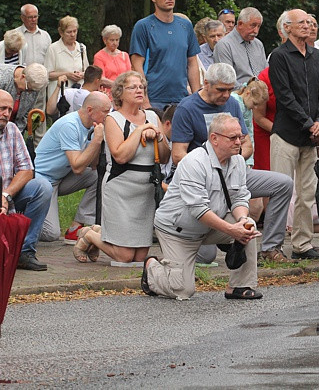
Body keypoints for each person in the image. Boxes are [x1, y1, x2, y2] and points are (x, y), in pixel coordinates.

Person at [171, 63, 294, 264]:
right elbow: (178, 155)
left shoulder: (233, 104)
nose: (226, 95)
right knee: (206, 256)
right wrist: (209, 168)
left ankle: (271, 247)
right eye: (221, 90)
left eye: (230, 90)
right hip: (203, 180)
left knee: (283, 183)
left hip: (234, 173)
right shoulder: (187, 108)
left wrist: (234, 161)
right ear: (206, 83)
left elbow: (247, 145)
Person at [142, 114, 262, 300]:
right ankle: (152, 267)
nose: (239, 142)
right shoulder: (194, 162)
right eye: (233, 138)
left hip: (210, 225)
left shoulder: (237, 161)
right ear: (214, 138)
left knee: (248, 226)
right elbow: (199, 210)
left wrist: (241, 221)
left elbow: (239, 197)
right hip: (178, 231)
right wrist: (232, 230)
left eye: (240, 137)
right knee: (183, 290)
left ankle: (239, 286)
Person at [74, 71, 169, 264]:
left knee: (139, 258)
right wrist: (140, 130)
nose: (139, 90)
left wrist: (159, 137)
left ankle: (99, 232)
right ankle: (89, 235)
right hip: (121, 188)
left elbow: (165, 157)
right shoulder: (113, 119)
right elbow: (120, 156)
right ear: (120, 93)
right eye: (132, 87)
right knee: (124, 257)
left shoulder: (152, 116)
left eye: (141, 87)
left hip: (145, 191)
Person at [269, 9, 319, 260]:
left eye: (310, 22)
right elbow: (284, 97)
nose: (308, 26)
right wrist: (309, 124)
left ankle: (302, 245)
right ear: (287, 27)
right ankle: (272, 246)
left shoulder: (317, 55)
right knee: (280, 191)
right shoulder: (279, 56)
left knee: (307, 193)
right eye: (302, 22)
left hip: (311, 137)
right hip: (286, 134)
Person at [34, 92, 111, 243]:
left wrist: (100, 141)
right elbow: (77, 167)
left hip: (60, 178)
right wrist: (96, 140)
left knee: (99, 176)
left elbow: (93, 165)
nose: (108, 116)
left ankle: (76, 226)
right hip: (41, 181)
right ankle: (23, 216)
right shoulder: (69, 125)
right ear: (90, 110)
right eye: (105, 112)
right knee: (51, 234)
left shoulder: (92, 127)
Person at [0, 89, 53, 271]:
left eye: (9, 110)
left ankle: (24, 251)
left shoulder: (12, 129)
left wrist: (6, 195)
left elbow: (27, 169)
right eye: (2, 109)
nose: (6, 114)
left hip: (8, 194)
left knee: (42, 187)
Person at [130, 0, 201, 110]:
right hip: (154, 99)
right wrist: (144, 100)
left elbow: (192, 63)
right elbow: (136, 65)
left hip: (182, 98)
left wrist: (196, 98)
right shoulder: (143, 26)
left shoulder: (185, 25)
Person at [213, 7, 268, 87]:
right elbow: (226, 79)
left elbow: (266, 73)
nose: (256, 31)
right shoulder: (224, 45)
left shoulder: (258, 44)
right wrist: (250, 91)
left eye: (258, 26)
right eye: (253, 25)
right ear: (240, 24)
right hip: (237, 93)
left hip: (262, 92)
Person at [43, 16, 89, 100]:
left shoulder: (82, 48)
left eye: (75, 31)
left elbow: (87, 71)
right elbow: (48, 74)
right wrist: (67, 74)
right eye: (69, 32)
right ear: (61, 33)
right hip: (59, 95)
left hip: (78, 94)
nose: (72, 35)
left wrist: (81, 74)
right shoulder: (53, 48)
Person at [0, 63, 49, 132]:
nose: (30, 93)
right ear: (23, 77)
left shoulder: (34, 85)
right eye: (28, 89)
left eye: (33, 91)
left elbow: (25, 116)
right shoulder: (2, 77)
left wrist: (16, 133)